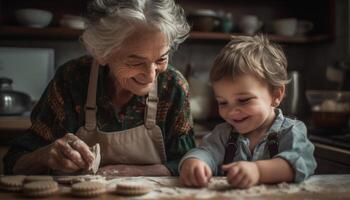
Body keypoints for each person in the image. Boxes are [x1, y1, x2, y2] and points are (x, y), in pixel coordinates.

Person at [3, 0, 196, 176]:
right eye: (135, 63)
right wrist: (44, 157)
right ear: (102, 53)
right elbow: (13, 162)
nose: (151, 75)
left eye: (161, 59)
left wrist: (132, 171)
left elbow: (187, 163)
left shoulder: (172, 87)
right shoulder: (72, 79)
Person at [179, 35, 317, 188]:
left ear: (276, 95)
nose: (232, 111)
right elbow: (206, 152)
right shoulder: (223, 134)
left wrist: (258, 171)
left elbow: (299, 162)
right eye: (222, 102)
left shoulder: (290, 131)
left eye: (244, 100)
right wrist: (194, 162)